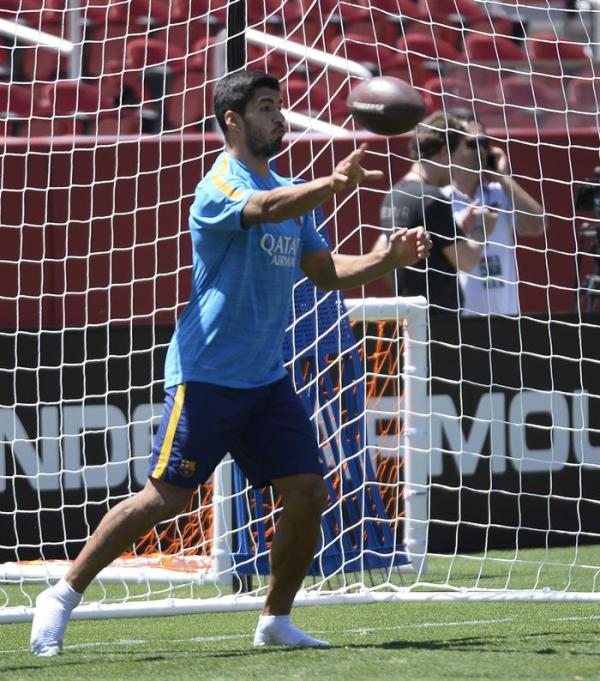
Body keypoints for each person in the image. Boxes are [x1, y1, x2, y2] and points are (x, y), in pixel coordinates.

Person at [30, 69, 432, 656]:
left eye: (281, 106)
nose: (280, 117)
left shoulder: (296, 192)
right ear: (233, 121)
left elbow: (325, 274)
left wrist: (383, 256)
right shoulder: (219, 185)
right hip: (207, 375)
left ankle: (275, 620)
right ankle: (61, 594)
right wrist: (332, 184)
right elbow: (265, 207)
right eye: (267, 107)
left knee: (307, 493)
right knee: (165, 498)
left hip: (265, 380)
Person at [377, 111, 498, 315]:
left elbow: (379, 255)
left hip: (411, 315)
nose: (456, 170)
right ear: (443, 153)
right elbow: (467, 261)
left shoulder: (394, 195)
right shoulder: (433, 199)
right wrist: (481, 230)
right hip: (441, 323)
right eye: (456, 159)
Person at [445, 110, 546, 316]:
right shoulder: (439, 199)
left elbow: (537, 226)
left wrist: (503, 177)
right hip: (458, 322)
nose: (481, 151)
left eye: (484, 143)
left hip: (505, 319)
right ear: (450, 150)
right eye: (473, 144)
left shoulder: (502, 192)